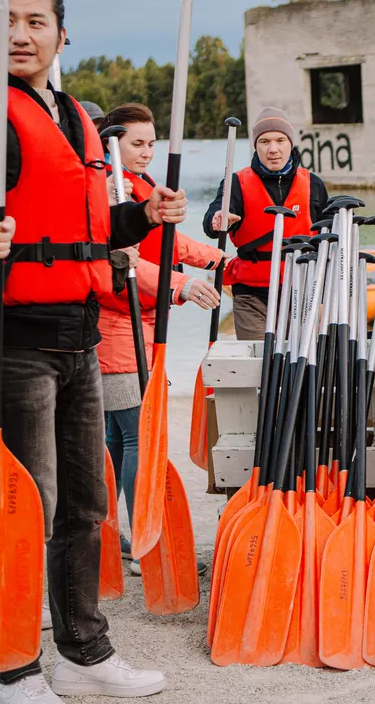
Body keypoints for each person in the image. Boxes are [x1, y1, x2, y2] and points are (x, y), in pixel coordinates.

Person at [0, 0, 179, 704]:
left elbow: (96, 229)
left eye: (36, 21)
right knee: (22, 506)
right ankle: (15, 667)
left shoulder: (74, 116)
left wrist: (147, 217)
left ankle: (83, 650)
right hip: (13, 339)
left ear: (61, 35)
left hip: (78, 334)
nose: (21, 34)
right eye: (8, 22)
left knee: (85, 504)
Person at [95, 103, 221, 569]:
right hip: (115, 327)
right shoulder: (111, 189)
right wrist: (181, 284)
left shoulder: (141, 186)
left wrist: (215, 258)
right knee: (133, 436)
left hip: (140, 325)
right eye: (137, 144)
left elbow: (166, 242)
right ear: (114, 143)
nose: (147, 152)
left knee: (116, 437)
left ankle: (117, 537)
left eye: (152, 143)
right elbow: (124, 257)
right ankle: (142, 540)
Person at [202, 106, 327, 339]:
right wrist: (217, 220)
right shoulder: (236, 183)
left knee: (298, 365)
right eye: (264, 141)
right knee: (258, 363)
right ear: (255, 146)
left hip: (300, 291)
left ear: (290, 143)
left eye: (280, 140)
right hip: (252, 296)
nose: (273, 149)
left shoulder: (313, 184)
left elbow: (329, 236)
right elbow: (212, 219)